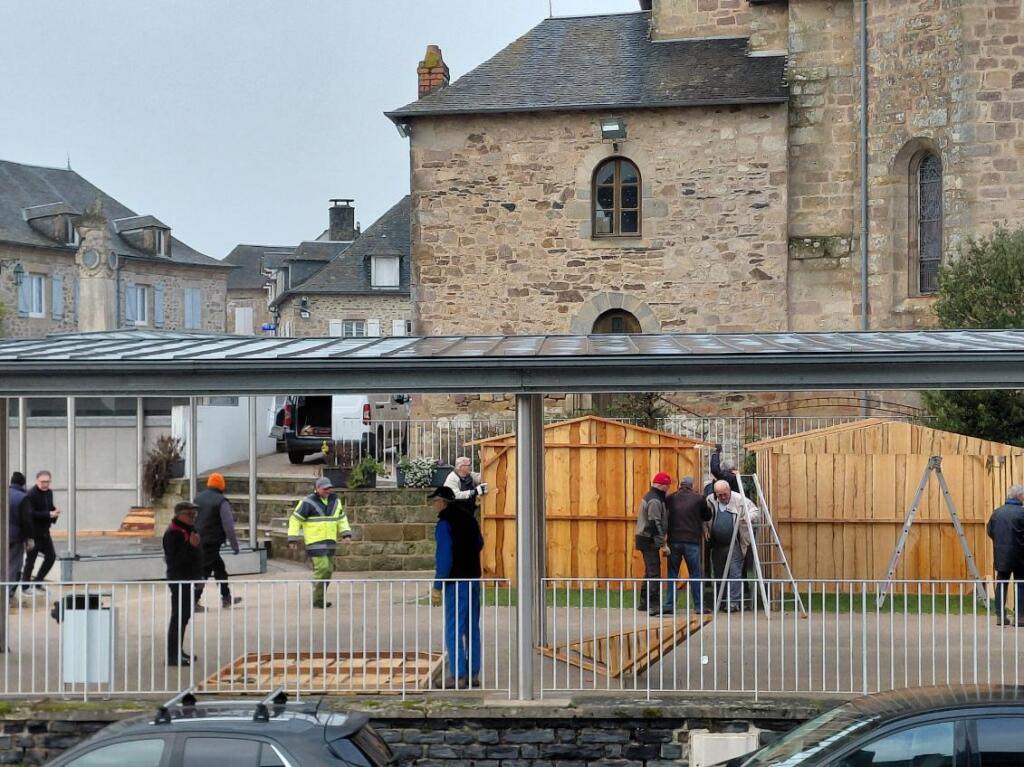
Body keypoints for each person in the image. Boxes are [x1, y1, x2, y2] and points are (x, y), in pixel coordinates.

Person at [429, 485, 484, 688]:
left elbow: (444, 556)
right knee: (472, 629)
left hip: (456, 581)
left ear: (443, 502)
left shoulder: (444, 524)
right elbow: (479, 543)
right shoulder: (469, 519)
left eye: (435, 501)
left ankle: (458, 675)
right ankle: (473, 673)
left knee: (453, 628)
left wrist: (438, 585)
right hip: (473, 578)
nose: (434, 505)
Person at [288, 476, 352, 608]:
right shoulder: (307, 502)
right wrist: (292, 538)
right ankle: (317, 590)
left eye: (329, 488)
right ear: (317, 489)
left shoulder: (335, 501)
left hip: (330, 542)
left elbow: (341, 519)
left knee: (328, 571)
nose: (328, 490)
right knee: (322, 568)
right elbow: (295, 520)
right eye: (325, 488)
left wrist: (346, 534)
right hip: (315, 542)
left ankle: (319, 598)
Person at [654, 476, 712, 616]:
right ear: (691, 486)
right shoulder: (699, 498)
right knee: (695, 574)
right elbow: (707, 516)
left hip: (674, 541)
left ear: (680, 485)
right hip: (692, 541)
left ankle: (670, 605)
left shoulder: (670, 498)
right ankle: (698, 606)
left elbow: (664, 515)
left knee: (673, 573)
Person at [706, 479, 761, 612]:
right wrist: (705, 530)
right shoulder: (710, 500)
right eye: (719, 495)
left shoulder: (739, 499)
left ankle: (733, 603)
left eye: (725, 494)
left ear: (729, 490)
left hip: (735, 543)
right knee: (718, 573)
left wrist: (745, 518)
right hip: (717, 544)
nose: (722, 497)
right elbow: (705, 516)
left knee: (735, 573)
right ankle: (721, 601)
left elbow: (755, 511)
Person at [194, 472, 242, 611]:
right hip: (212, 542)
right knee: (204, 572)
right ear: (222, 485)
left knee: (219, 569)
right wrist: (235, 545)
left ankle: (226, 597)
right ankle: (193, 600)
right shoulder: (221, 501)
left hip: (198, 540)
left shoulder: (198, 499)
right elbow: (228, 525)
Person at [164, 501, 202, 666]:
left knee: (184, 616)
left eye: (194, 515)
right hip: (179, 579)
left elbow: (197, 554)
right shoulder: (173, 533)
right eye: (189, 514)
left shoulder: (189, 530)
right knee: (178, 617)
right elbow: (176, 560)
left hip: (190, 578)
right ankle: (173, 655)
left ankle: (178, 651)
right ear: (179, 515)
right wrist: (191, 546)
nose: (193, 518)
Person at [987, 484, 1024, 626]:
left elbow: (990, 531)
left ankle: (1000, 616)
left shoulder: (997, 513)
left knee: (1001, 583)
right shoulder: (1022, 513)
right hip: (1020, 555)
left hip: (1001, 554)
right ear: (1019, 496)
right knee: (1020, 584)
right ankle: (1020, 617)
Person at [634, 472, 671, 612]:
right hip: (649, 539)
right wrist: (663, 545)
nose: (668, 489)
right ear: (662, 486)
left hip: (645, 538)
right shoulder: (655, 500)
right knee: (654, 572)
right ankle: (654, 605)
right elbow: (654, 524)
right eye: (667, 486)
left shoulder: (652, 496)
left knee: (649, 571)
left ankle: (644, 603)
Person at [21, 470, 59, 592]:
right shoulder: (31, 494)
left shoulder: (49, 493)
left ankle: (38, 581)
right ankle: (25, 586)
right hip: (33, 533)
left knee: (51, 557)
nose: (45, 484)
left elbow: (49, 507)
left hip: (45, 533)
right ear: (37, 481)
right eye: (43, 482)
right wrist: (48, 514)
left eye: (47, 482)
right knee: (30, 561)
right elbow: (31, 514)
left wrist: (55, 512)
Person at [7, 472, 32, 601]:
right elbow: (26, 521)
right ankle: (8, 593)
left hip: (3, 537)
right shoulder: (23, 497)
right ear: (23, 483)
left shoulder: (3, 493)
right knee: (15, 566)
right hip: (16, 538)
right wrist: (29, 539)